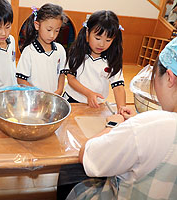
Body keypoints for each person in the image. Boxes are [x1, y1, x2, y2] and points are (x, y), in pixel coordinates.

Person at [66, 37, 177, 199]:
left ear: (169, 78)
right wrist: (139, 121)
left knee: (70, 171)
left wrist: (113, 125)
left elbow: (87, 154)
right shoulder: (148, 124)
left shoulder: (148, 127)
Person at [63, 10, 126, 110]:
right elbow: (71, 79)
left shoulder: (112, 59)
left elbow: (118, 87)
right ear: (87, 33)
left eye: (108, 40)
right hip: (72, 101)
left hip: (96, 105)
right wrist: (88, 94)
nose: (102, 44)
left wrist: (122, 109)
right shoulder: (77, 52)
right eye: (97, 38)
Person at [16, 4, 67, 95]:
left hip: (53, 98)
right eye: (48, 30)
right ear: (37, 25)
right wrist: (38, 94)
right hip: (34, 99)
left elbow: (61, 74)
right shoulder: (29, 51)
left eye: (57, 30)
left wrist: (59, 91)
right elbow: (20, 79)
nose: (52, 35)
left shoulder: (60, 50)